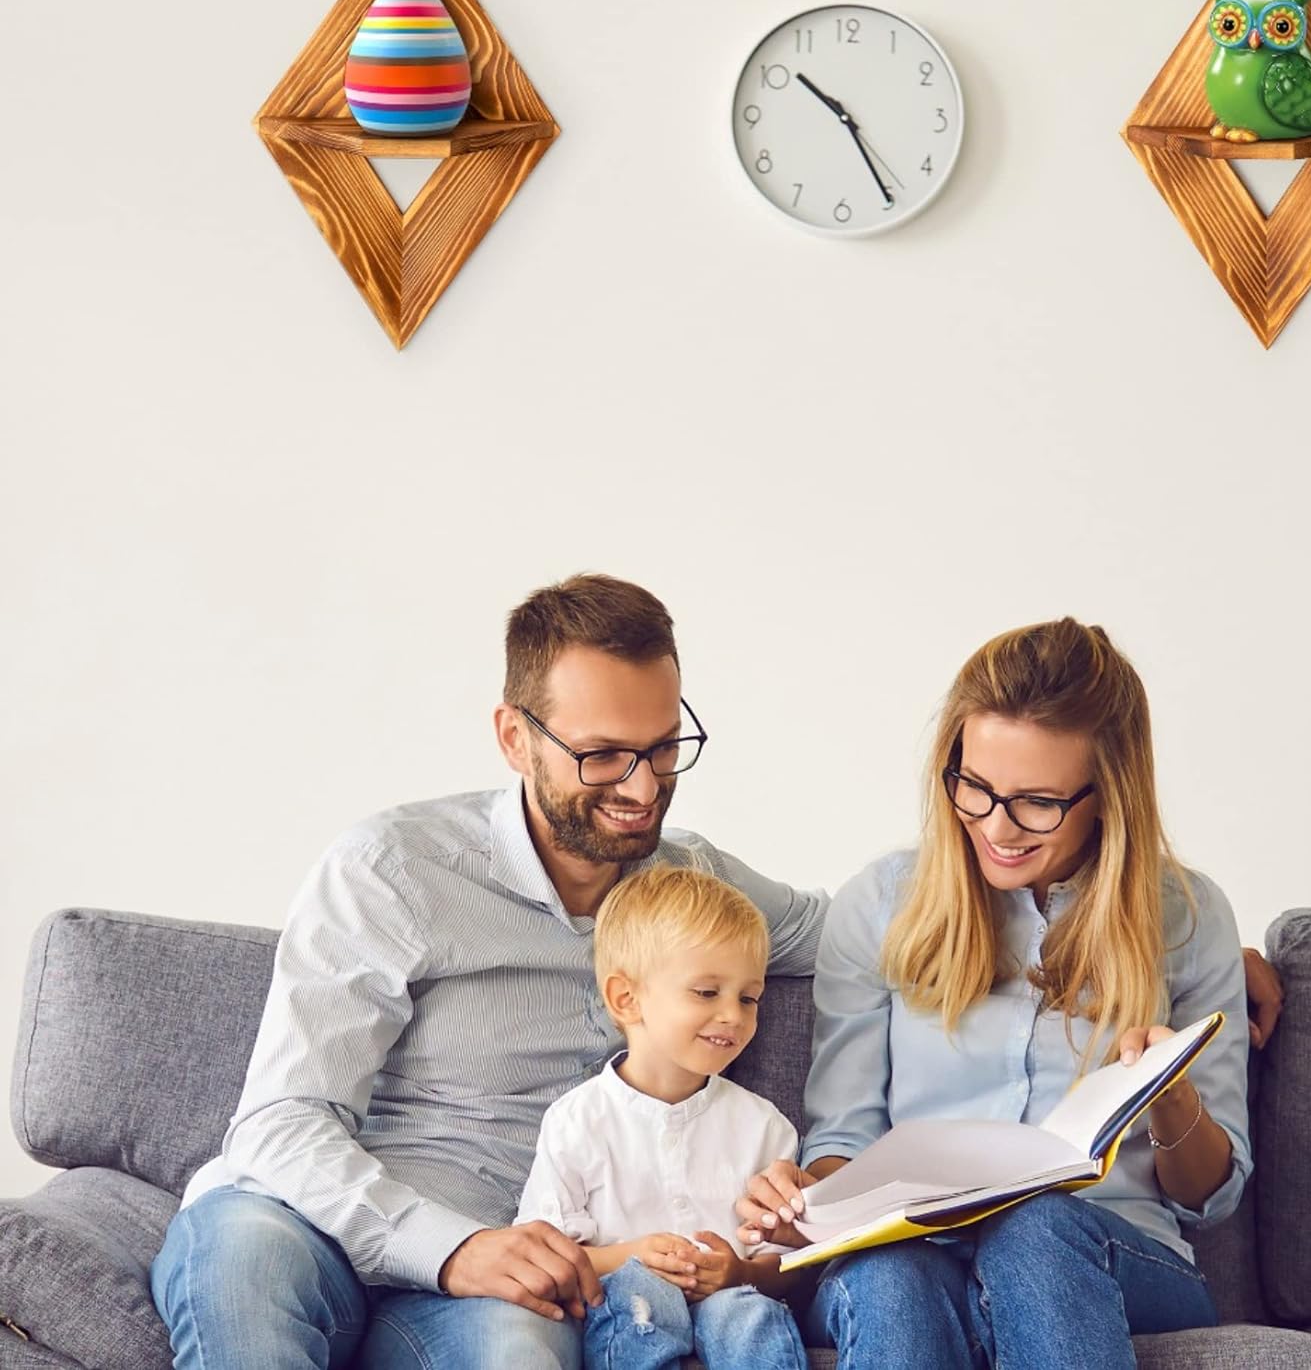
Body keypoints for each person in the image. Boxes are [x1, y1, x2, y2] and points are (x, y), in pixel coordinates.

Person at [149, 574, 827, 1370]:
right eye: (603, 755)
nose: (644, 788)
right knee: (243, 1263)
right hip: (316, 1225)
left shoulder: (693, 888)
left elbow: (858, 932)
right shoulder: (392, 869)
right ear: (515, 737)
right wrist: (446, 1246)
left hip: (504, 1274)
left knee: (521, 1356)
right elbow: (282, 1118)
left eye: (664, 747)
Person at [736, 619, 1254, 1370]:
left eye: (1036, 802)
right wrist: (803, 1201)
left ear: (1110, 794)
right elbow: (843, 1140)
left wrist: (1172, 1096)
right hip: (920, 1250)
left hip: (1111, 1249)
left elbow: (1213, 1196)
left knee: (1037, 1228)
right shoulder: (883, 905)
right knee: (885, 1276)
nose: (996, 827)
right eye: (974, 787)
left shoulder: (1188, 918)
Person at [516, 863, 808, 1370]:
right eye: (706, 992)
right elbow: (549, 1257)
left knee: (745, 1314)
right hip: (627, 1313)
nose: (734, 1016)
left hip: (733, 1310)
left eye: (748, 998)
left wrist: (738, 1273)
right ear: (626, 1000)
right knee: (641, 1295)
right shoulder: (576, 1122)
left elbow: (791, 1268)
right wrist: (636, 1254)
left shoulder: (765, 1127)